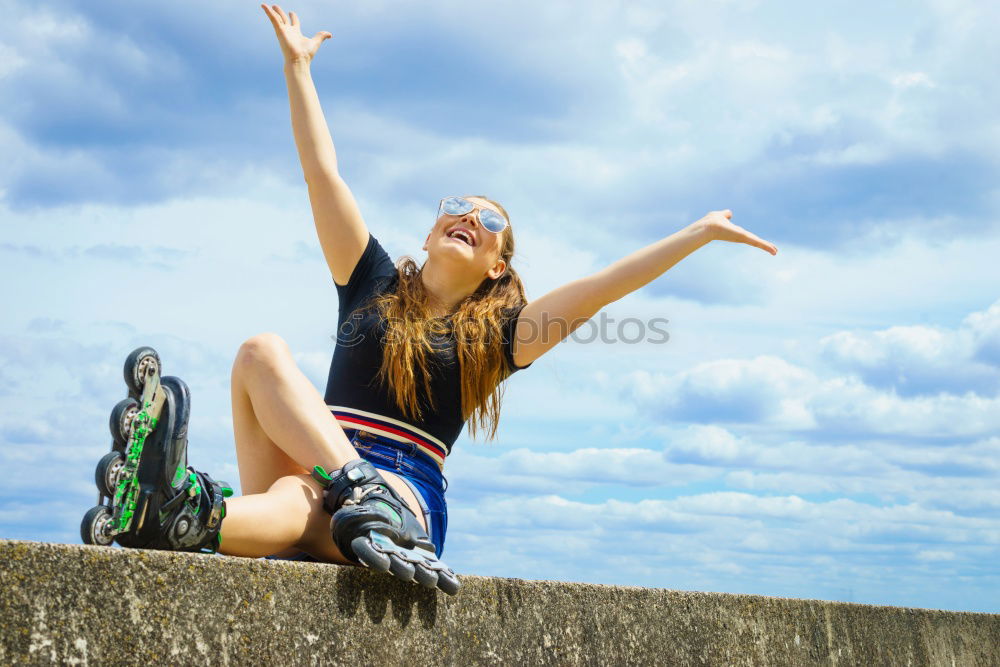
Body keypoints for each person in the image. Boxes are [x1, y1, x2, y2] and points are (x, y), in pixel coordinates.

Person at [89, 4, 777, 595]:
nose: (469, 215)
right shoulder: (372, 283)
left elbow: (602, 289)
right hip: (322, 465)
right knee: (260, 355)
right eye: (457, 205)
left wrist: (699, 233)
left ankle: (205, 507)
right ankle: (178, 509)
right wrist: (298, 69)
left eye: (490, 219)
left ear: (497, 264)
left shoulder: (500, 337)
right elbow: (321, 173)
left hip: (405, 497)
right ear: (432, 225)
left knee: (305, 502)